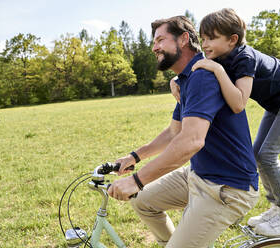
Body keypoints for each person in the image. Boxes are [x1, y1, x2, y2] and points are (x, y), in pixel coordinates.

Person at [108, 16, 259, 248]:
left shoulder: (202, 76)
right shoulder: (187, 78)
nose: (154, 47)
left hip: (227, 188)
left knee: (139, 192)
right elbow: (173, 133)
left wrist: (136, 181)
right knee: (143, 202)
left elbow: (191, 141)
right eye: (153, 41)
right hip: (198, 175)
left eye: (160, 40)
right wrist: (134, 157)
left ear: (184, 39)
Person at [170, 8, 280, 236]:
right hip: (277, 103)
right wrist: (177, 79)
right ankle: (278, 207)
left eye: (212, 38)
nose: (205, 44)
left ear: (232, 40)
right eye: (204, 38)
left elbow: (239, 102)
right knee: (259, 154)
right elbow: (194, 69)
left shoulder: (244, 58)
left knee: (266, 155)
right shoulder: (220, 56)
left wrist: (217, 70)